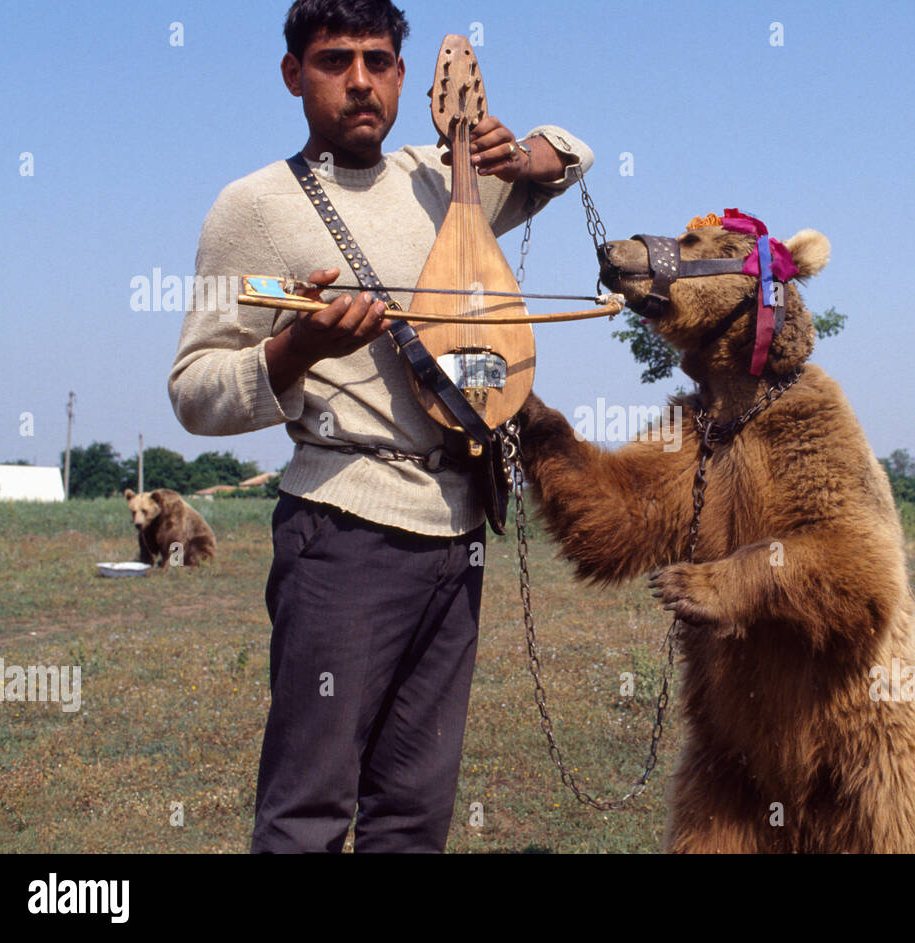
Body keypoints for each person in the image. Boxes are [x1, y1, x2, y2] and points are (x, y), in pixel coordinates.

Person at [168, 0, 593, 853]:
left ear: (407, 75)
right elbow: (194, 389)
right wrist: (295, 349)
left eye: (378, 59)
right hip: (343, 531)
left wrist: (529, 152)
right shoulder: (251, 207)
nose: (360, 80)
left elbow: (573, 153)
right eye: (333, 60)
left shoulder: (444, 177)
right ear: (293, 75)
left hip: (459, 524)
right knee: (309, 809)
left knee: (414, 814)